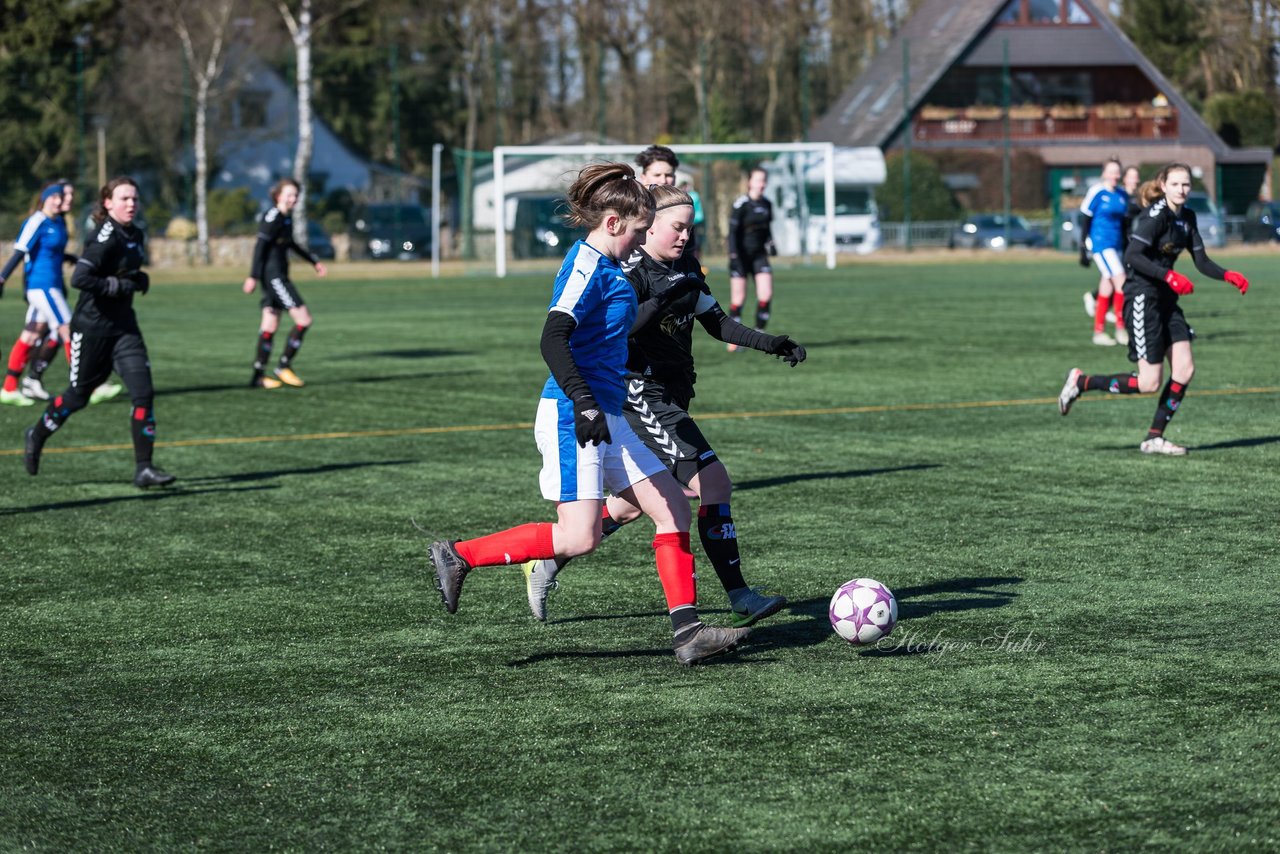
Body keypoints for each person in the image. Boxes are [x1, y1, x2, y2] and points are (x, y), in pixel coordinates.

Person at [424, 162, 751, 666]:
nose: (642, 239)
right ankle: (459, 555)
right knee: (579, 537)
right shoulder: (586, 268)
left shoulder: (612, 267)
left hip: (611, 411)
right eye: (640, 230)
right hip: (573, 414)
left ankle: (688, 633)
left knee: (672, 508)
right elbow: (553, 338)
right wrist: (583, 401)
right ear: (615, 223)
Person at [522, 183, 807, 626]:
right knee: (714, 483)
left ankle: (552, 558)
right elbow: (621, 331)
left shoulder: (686, 265)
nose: (684, 238)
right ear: (648, 226)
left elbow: (717, 322)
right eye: (677, 228)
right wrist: (664, 299)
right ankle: (738, 598)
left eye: (690, 230)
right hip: (641, 394)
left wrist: (770, 342)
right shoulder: (627, 271)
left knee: (637, 503)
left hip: (673, 395)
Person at [1058, 163, 1250, 455]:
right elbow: (1133, 256)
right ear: (1163, 185)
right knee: (1148, 382)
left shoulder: (1187, 217)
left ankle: (1154, 438)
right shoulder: (1154, 217)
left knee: (1184, 370)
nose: (1182, 190)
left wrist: (1226, 275)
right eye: (1176, 184)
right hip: (1141, 299)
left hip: (1166, 300)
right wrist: (1168, 276)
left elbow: (1201, 261)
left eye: (1186, 184)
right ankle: (1082, 381)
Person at [22, 176, 176, 487]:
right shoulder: (104, 235)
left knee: (143, 393)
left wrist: (138, 278)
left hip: (124, 329)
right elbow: (80, 277)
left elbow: (124, 271)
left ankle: (143, 469)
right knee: (78, 397)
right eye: (123, 199)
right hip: (91, 331)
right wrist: (114, 285)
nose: (131, 204)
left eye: (134, 199)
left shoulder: (137, 234)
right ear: (108, 203)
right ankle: (37, 433)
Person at [242, 178, 326, 389]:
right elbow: (260, 247)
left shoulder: (286, 218)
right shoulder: (273, 217)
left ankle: (258, 376)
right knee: (304, 319)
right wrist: (252, 276)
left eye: (296, 195)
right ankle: (283, 366)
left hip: (275, 277)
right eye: (289, 194)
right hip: (275, 278)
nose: (293, 198)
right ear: (278, 196)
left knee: (269, 325)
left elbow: (291, 245)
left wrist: (313, 262)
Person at [1, 184, 73, 406]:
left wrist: (73, 258)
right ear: (45, 199)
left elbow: (53, 253)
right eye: (56, 197)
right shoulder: (37, 221)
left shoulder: (58, 222)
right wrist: (2, 277)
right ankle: (89, 384)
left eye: (62, 197)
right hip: (41, 286)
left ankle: (10, 388)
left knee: (31, 335)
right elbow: (20, 252)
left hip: (52, 285)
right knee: (67, 328)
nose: (60, 201)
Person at [1078, 159, 1130, 347]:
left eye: (1118, 172)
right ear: (1104, 173)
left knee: (1106, 287)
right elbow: (1086, 218)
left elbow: (1125, 224)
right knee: (1121, 281)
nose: (1115, 175)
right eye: (1111, 172)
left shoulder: (1122, 195)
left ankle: (1098, 332)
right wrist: (1083, 247)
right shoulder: (1097, 192)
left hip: (1116, 246)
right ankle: (1120, 328)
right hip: (1101, 244)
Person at [726, 166, 776, 350]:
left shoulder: (767, 204)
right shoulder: (741, 204)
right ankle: (734, 340)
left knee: (766, 294)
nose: (761, 184)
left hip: (759, 256)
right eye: (758, 180)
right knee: (738, 300)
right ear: (750, 182)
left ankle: (759, 335)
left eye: (764, 180)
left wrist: (771, 243)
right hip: (740, 256)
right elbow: (732, 233)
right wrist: (733, 255)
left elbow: (767, 229)